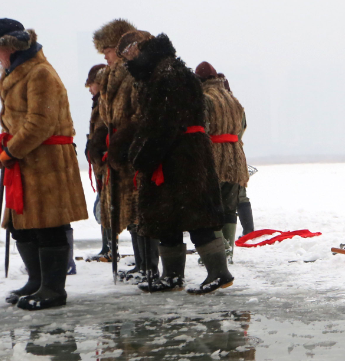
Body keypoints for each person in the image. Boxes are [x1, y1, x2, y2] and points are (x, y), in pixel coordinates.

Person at [0, 18, 88, 310]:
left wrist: (10, 152)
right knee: (22, 226)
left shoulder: (40, 73)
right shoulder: (17, 72)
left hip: (47, 163)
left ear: (9, 47)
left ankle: (53, 289)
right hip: (28, 161)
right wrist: (5, 147)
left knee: (49, 225)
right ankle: (37, 282)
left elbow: (41, 123)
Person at [119, 31, 233, 294]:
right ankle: (172, 276)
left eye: (127, 53)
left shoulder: (169, 72)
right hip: (172, 157)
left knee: (196, 218)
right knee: (167, 219)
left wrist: (143, 153)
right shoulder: (157, 73)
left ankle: (219, 272)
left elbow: (165, 121)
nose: (127, 60)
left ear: (138, 48)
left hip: (184, 159)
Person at [88, 18, 161, 285]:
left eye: (106, 51)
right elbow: (109, 117)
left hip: (133, 153)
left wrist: (123, 141)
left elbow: (140, 115)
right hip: (119, 153)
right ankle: (141, 263)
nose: (104, 57)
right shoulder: (110, 77)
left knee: (141, 210)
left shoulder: (134, 73)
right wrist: (100, 138)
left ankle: (149, 266)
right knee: (129, 212)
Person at [195, 61, 249, 261]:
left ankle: (219, 251)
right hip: (236, 158)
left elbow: (202, 130)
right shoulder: (233, 100)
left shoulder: (204, 99)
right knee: (229, 208)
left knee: (210, 208)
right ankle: (228, 253)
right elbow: (242, 128)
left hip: (213, 159)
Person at [84, 63, 111, 262]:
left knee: (106, 203)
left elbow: (103, 129)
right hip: (99, 160)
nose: (90, 89)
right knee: (103, 201)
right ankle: (107, 245)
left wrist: (95, 146)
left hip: (105, 160)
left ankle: (109, 247)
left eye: (92, 84)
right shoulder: (98, 102)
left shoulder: (104, 102)